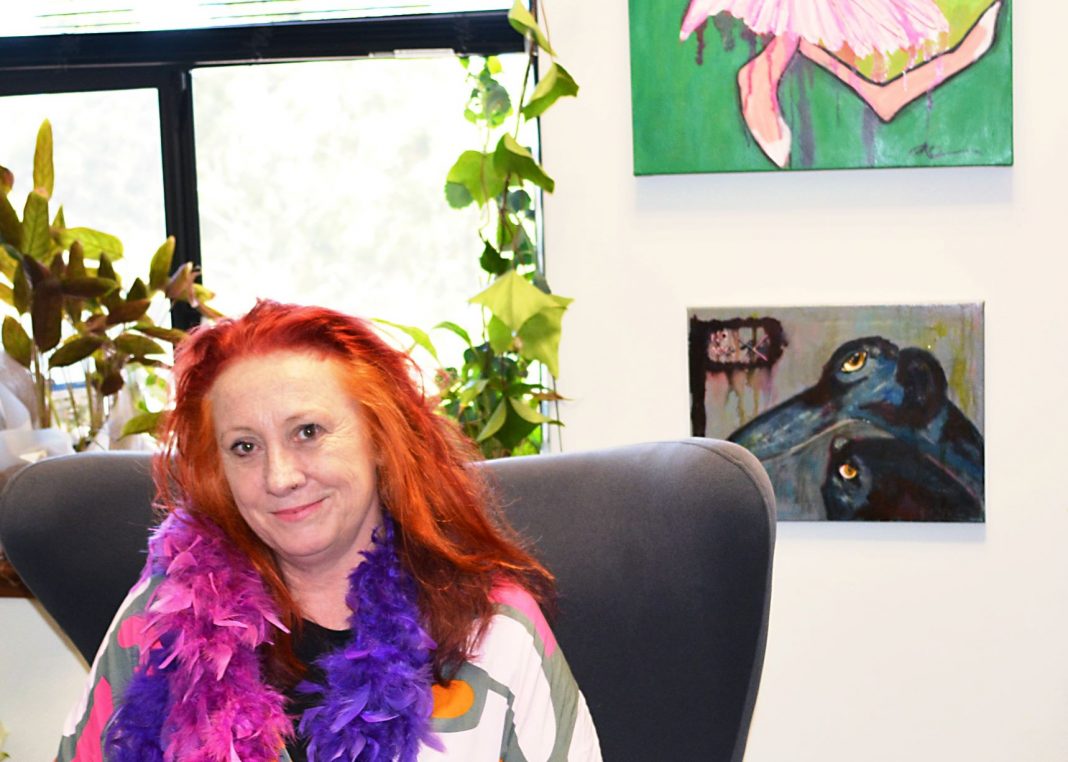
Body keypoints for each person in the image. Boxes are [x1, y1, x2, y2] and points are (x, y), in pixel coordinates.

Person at [57, 300, 602, 761]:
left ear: (380, 439)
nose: (280, 477)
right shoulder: (162, 613)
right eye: (244, 447)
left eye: (308, 432)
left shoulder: (496, 627)